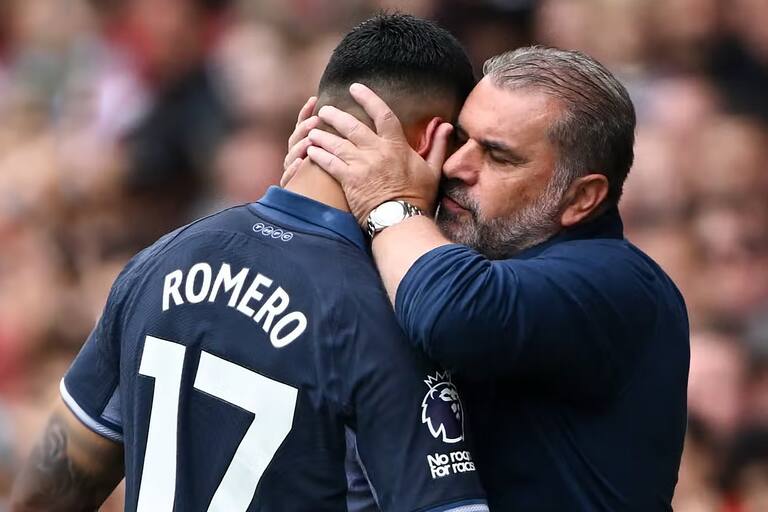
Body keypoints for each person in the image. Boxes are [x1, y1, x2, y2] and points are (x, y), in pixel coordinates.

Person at [10, 14, 489, 512]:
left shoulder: (160, 258)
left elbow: (42, 497)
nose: (463, 171)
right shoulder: (389, 315)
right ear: (429, 143)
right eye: (461, 149)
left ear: (312, 119)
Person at [292, 46, 690, 510]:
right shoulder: (457, 255)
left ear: (582, 198)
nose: (457, 166)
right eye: (459, 139)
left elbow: (454, 312)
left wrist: (388, 201)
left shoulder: (620, 282)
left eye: (498, 157)